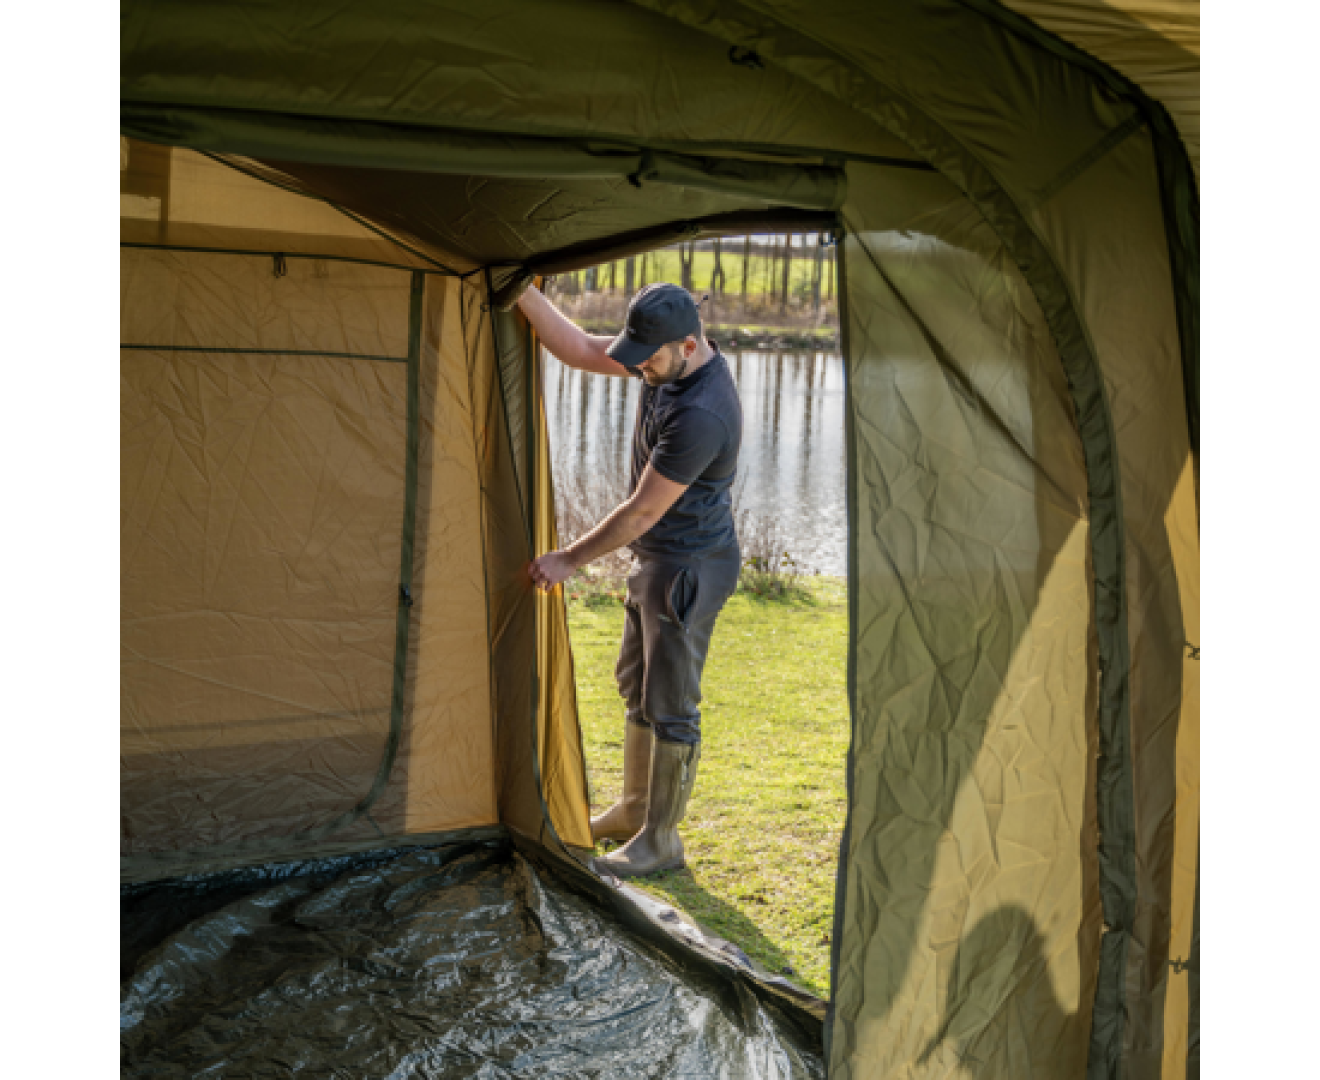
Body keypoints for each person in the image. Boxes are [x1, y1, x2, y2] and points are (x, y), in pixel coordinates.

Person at [519, 280, 743, 878]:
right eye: (637, 354)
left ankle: (661, 842)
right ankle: (633, 811)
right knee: (636, 686)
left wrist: (569, 557)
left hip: (690, 565)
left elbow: (643, 510)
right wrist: (522, 293)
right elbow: (582, 349)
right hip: (658, 560)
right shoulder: (664, 363)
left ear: (688, 346)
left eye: (650, 357)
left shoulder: (702, 412)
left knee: (672, 705)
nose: (639, 367)